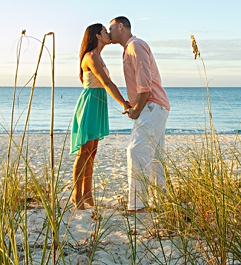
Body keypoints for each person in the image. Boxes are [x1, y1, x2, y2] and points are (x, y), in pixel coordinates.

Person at [107, 16, 170, 213]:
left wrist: (136, 110)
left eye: (111, 28)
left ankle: (137, 205)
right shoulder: (129, 49)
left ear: (120, 26)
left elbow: (145, 84)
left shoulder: (135, 45)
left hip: (151, 105)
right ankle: (159, 201)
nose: (109, 33)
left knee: (135, 151)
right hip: (153, 106)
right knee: (154, 156)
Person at [70, 23, 130, 209]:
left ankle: (88, 195)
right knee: (84, 151)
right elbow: (107, 83)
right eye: (105, 31)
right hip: (90, 104)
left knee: (92, 152)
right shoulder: (90, 57)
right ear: (97, 35)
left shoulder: (99, 57)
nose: (108, 34)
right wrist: (124, 103)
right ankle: (76, 194)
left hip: (98, 104)